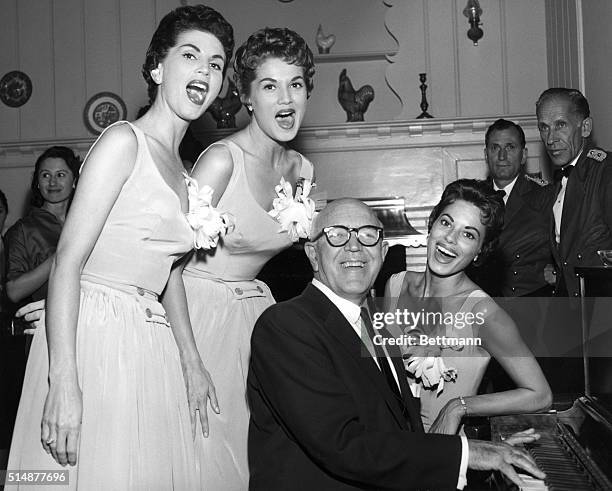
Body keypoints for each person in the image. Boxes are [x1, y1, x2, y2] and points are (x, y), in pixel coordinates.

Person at [7, 5, 234, 489]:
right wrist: (62, 378)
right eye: (190, 55)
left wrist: (191, 359)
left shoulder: (186, 172)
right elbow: (68, 259)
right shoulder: (122, 141)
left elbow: (168, 272)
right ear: (157, 67)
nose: (205, 71)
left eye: (216, 64)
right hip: (95, 333)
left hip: (148, 338)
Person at [248, 198, 546, 490]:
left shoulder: (369, 318)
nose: (354, 247)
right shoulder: (286, 326)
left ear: (382, 250)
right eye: (337, 235)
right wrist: (467, 454)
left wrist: (469, 429)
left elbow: (394, 418)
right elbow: (343, 443)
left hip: (416, 461)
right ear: (313, 254)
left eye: (367, 236)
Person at [182, 27, 316, 489]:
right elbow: (168, 264)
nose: (286, 98)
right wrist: (189, 358)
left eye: (295, 84)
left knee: (258, 455)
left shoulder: (302, 169)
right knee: (208, 456)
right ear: (246, 96)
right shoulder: (221, 160)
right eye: (270, 85)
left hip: (256, 316)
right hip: (196, 316)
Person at [385, 180, 551, 433]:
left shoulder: (484, 313)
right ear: (432, 223)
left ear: (479, 251)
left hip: (443, 456)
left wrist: (458, 407)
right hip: (390, 446)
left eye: (468, 234)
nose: (450, 239)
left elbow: (540, 395)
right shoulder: (396, 286)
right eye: (446, 222)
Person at [536, 88, 612, 297]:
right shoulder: (559, 180)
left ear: (585, 127)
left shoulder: (605, 172)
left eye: (560, 125)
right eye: (544, 127)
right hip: (572, 311)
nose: (551, 138)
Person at [468, 119, 554, 298]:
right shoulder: (472, 198)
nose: (501, 156)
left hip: (532, 306)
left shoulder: (545, 196)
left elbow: (566, 243)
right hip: (483, 303)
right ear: (486, 155)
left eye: (510, 147)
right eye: (495, 148)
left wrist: (557, 269)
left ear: (523, 155)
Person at [4, 146, 80, 306]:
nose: (53, 182)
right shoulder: (23, 230)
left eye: (60, 175)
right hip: (46, 321)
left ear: (74, 181)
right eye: (46, 175)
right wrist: (61, 256)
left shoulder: (86, 222)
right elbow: (13, 291)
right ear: (37, 182)